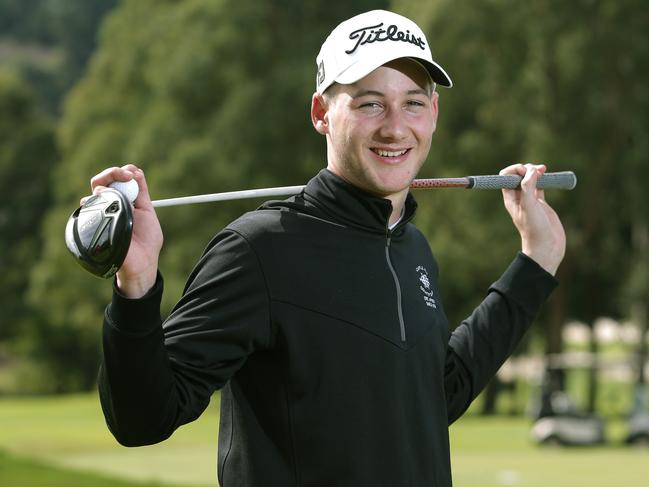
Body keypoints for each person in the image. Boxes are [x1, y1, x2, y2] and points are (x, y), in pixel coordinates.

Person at [91, 9, 565, 487]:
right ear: (321, 113)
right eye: (370, 104)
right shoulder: (258, 251)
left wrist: (535, 263)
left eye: (413, 103)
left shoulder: (412, 249)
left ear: (434, 114)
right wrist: (136, 285)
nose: (396, 128)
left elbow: (435, 396)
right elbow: (141, 420)